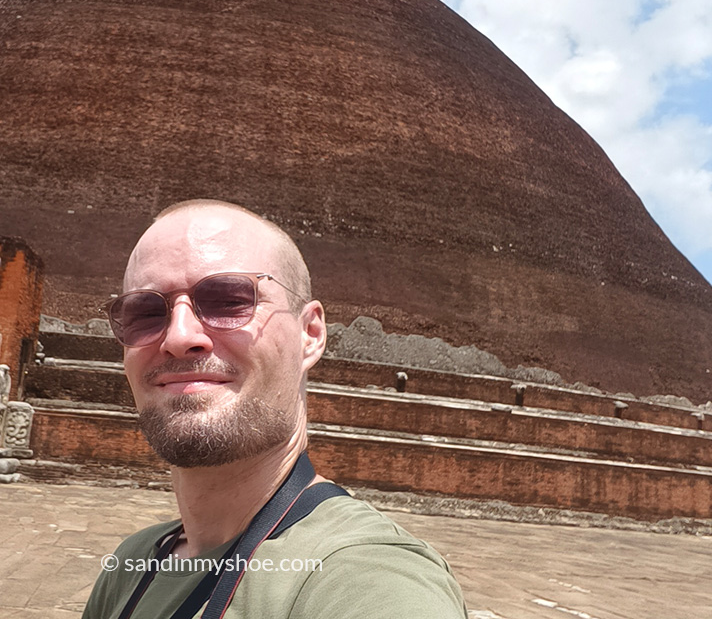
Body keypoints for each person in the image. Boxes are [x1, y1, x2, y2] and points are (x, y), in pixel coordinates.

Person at [82, 200, 467, 619]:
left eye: (228, 299)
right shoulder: (130, 565)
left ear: (310, 334)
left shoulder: (367, 576)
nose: (178, 336)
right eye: (144, 312)